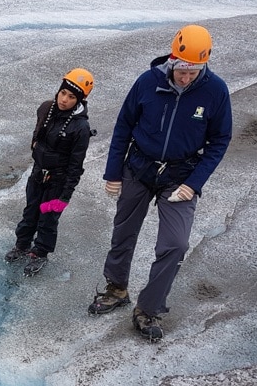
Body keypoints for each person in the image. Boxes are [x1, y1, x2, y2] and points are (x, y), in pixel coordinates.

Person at [89, 24, 232, 342]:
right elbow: (124, 125)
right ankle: (116, 288)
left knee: (176, 244)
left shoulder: (215, 91)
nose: (186, 78)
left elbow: (220, 140)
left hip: (181, 176)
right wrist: (113, 172)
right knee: (123, 231)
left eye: (194, 72)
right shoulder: (147, 81)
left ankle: (148, 309)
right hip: (139, 167)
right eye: (182, 70)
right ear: (173, 58)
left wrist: (194, 183)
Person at [5, 69, 95, 276]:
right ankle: (22, 244)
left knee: (48, 218)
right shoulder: (46, 109)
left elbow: (76, 164)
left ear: (79, 99)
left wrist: (66, 195)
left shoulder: (81, 128)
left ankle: (41, 252)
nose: (64, 99)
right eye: (63, 93)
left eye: (71, 97)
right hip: (38, 174)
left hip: (58, 181)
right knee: (30, 212)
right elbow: (37, 133)